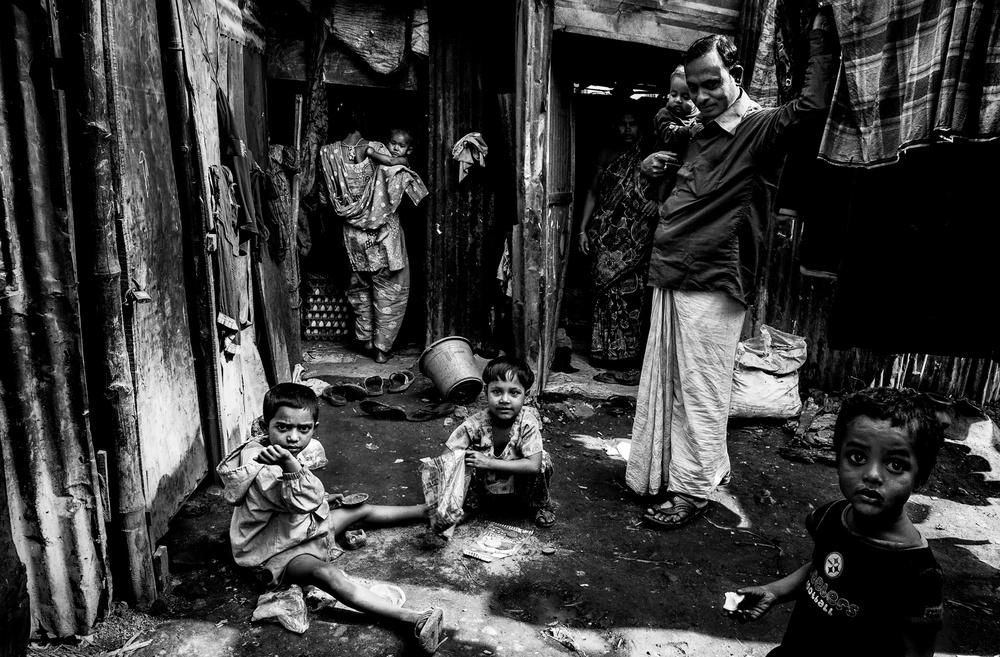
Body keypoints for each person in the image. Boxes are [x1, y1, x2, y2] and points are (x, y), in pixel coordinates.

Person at [627, 6, 839, 530]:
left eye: (710, 84)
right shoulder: (696, 132)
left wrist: (822, 32)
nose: (700, 97)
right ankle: (689, 470)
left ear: (735, 75)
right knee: (674, 382)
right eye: (693, 88)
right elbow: (674, 196)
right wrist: (650, 170)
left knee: (700, 387)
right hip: (674, 269)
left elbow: (812, 105)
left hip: (714, 277)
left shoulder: (760, 128)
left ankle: (692, 490)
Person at [217, 383, 445, 653]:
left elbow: (300, 500)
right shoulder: (262, 463)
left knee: (359, 510)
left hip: (300, 526)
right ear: (265, 425)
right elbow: (300, 497)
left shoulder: (281, 451)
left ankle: (429, 511)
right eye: (283, 428)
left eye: (303, 429)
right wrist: (294, 469)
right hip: (276, 551)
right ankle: (413, 619)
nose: (293, 437)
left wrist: (324, 498)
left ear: (315, 426)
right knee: (328, 575)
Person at [727, 387, 945, 657]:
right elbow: (822, 565)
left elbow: (918, 652)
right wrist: (773, 592)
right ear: (838, 459)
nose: (873, 475)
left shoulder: (917, 574)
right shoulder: (832, 515)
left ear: (920, 477)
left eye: (896, 465)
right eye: (857, 457)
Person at [318, 115, 427, 364]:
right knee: (390, 290)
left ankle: (366, 340)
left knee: (359, 288)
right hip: (382, 232)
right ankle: (381, 349)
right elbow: (401, 183)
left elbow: (324, 200)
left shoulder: (327, 154)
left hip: (352, 237)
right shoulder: (378, 148)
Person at [577, 104, 659, 379]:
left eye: (632, 123)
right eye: (622, 123)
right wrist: (582, 229)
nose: (627, 129)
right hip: (604, 234)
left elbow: (673, 185)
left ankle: (629, 355)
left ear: (641, 126)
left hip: (636, 239)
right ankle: (603, 353)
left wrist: (657, 203)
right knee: (604, 293)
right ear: (615, 126)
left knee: (631, 294)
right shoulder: (605, 153)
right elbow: (591, 191)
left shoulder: (651, 156)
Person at [441, 356, 557, 528]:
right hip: (487, 490)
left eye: (514, 392)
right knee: (463, 459)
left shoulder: (527, 422)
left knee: (543, 462)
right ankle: (469, 506)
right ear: (486, 391)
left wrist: (488, 462)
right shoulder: (475, 424)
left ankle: (539, 504)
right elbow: (446, 457)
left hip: (519, 489)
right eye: (497, 391)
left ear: (526, 394)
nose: (504, 399)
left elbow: (533, 465)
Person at [651, 65, 700, 204]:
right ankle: (658, 202)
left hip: (683, 167)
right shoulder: (664, 114)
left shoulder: (699, 117)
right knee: (663, 182)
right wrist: (689, 131)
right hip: (663, 162)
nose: (678, 100)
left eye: (685, 97)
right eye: (674, 95)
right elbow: (669, 134)